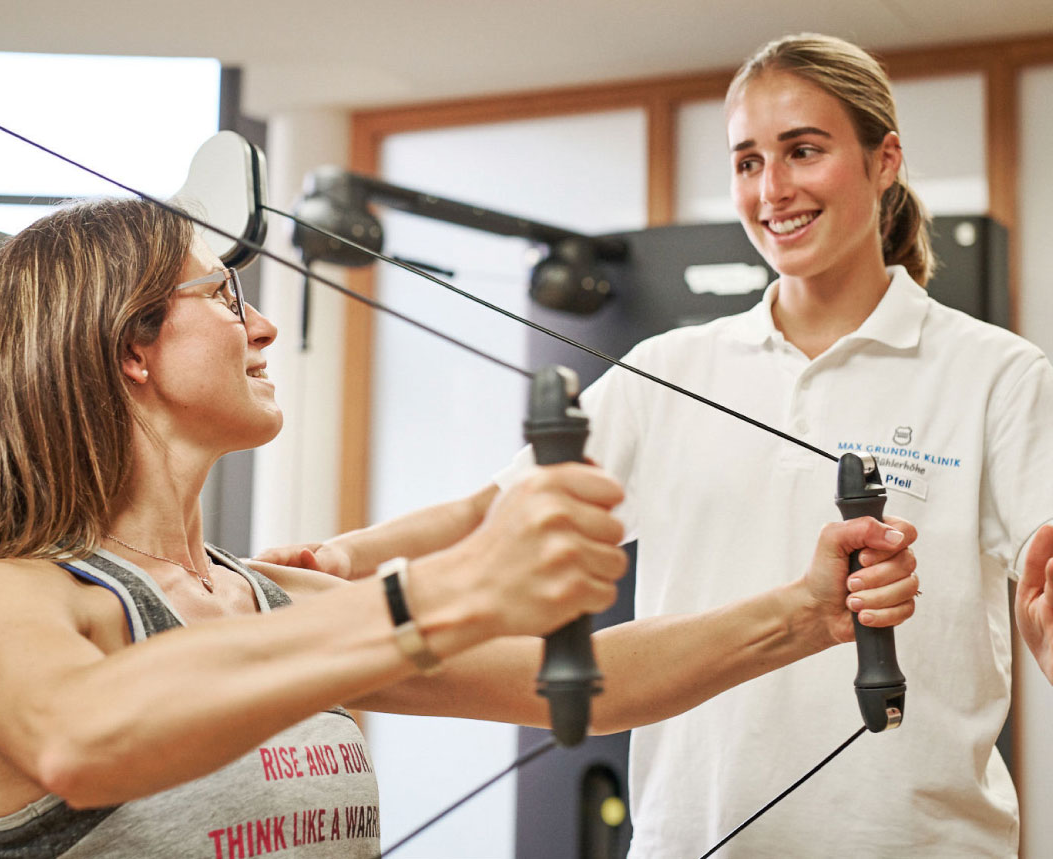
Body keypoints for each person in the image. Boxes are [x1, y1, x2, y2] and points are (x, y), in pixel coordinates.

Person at [0, 196, 919, 859]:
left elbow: (596, 686)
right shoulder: (3, 595)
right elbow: (79, 737)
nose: (262, 325)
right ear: (133, 346)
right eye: (224, 296)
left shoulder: (266, 599)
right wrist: (455, 585)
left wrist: (804, 611)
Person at [260, 33, 1053, 857]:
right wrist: (343, 560)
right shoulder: (672, 369)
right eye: (747, 161)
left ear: (883, 160)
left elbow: (1046, 576)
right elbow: (493, 514)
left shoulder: (995, 373)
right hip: (692, 838)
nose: (772, 188)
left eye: (803, 151)